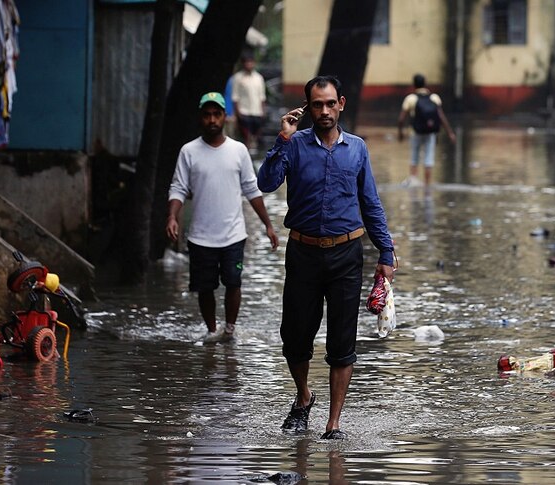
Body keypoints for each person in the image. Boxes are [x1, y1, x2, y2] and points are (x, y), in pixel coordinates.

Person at [257, 76, 395, 440]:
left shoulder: (358, 149)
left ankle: (333, 423)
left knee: (342, 341)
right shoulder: (296, 145)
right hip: (302, 252)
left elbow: (371, 203)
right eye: (317, 105)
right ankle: (304, 396)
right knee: (295, 336)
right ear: (308, 108)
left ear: (341, 104)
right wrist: (282, 137)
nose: (324, 111)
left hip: (348, 254)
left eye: (330, 103)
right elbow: (266, 183)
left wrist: (387, 251)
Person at [167, 92, 278, 343]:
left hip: (233, 235)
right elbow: (178, 188)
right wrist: (172, 217)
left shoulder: (238, 150)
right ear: (201, 118)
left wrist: (269, 226)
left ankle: (228, 330)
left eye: (216, 114)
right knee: (204, 288)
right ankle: (211, 330)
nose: (212, 119)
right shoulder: (189, 151)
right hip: (200, 236)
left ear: (224, 117)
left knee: (233, 283)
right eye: (207, 115)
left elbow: (252, 189)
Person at [397, 73, 456, 185]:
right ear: (425, 84)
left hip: (415, 132)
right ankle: (427, 186)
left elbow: (401, 119)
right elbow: (441, 117)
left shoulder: (411, 99)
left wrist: (400, 133)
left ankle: (413, 182)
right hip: (431, 132)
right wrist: (450, 133)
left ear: (414, 85)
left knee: (414, 157)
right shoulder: (434, 98)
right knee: (428, 158)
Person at [231, 53, 267, 154]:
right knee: (245, 137)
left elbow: (262, 97)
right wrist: (238, 113)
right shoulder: (238, 78)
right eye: (247, 62)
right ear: (243, 64)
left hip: (257, 112)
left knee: (256, 138)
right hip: (244, 112)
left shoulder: (259, 78)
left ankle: (255, 158)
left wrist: (263, 111)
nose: (249, 64)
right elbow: (235, 97)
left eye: (251, 62)